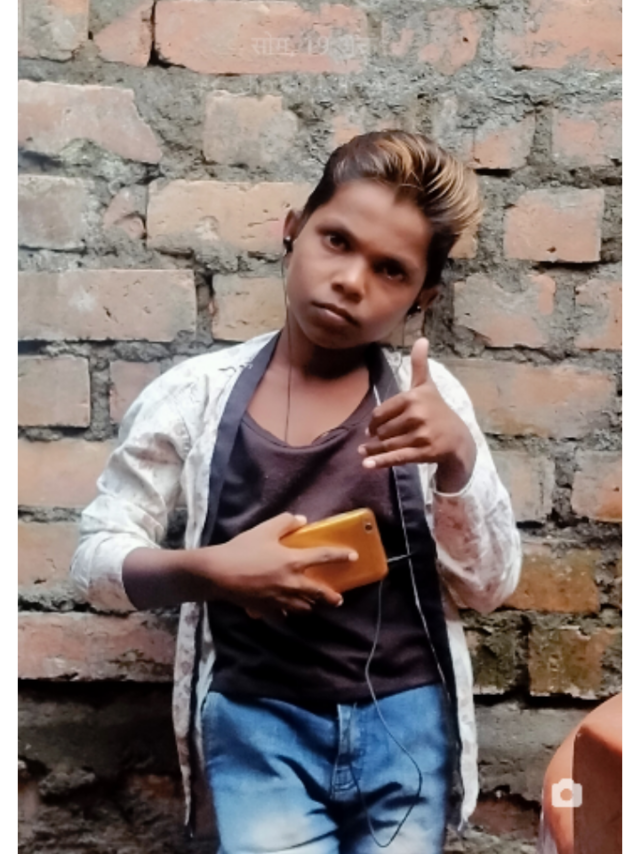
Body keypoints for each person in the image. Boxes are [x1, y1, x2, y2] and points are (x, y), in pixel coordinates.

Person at [71, 131, 522, 854]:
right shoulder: (195, 397)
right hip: (258, 726)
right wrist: (213, 571)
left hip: (406, 725)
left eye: (391, 270)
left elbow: (488, 587)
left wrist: (457, 461)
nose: (351, 280)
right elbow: (94, 561)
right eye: (336, 241)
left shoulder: (427, 405)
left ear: (422, 297)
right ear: (292, 231)